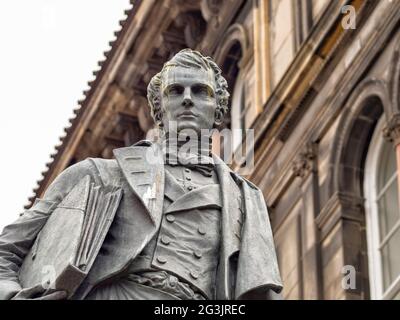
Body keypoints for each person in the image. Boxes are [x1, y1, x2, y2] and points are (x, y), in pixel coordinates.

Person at [0, 49, 282, 300]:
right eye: (175, 91)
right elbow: (6, 251)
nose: (187, 99)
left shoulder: (245, 198)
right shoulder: (99, 175)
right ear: (159, 110)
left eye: (199, 91)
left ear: (218, 109)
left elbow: (262, 293)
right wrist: (14, 296)